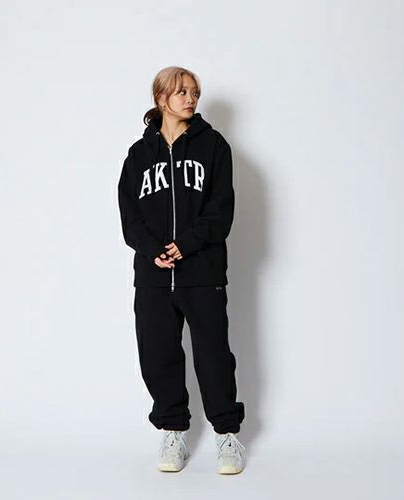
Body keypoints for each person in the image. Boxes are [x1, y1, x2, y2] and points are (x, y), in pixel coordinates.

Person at [117, 66, 246, 474]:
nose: (190, 99)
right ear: (161, 98)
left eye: (194, 92)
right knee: (157, 356)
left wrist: (185, 244)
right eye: (182, 92)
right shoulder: (138, 156)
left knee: (214, 356)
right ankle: (173, 431)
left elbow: (221, 211)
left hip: (202, 272)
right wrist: (152, 250)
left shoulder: (214, 147)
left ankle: (227, 435)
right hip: (153, 277)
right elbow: (130, 217)